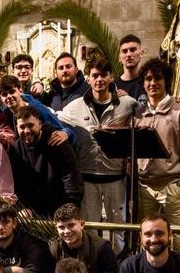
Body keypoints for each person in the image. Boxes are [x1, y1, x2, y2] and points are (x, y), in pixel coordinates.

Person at [133, 57, 180, 258]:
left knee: (179, 241)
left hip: (171, 184)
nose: (152, 83)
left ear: (166, 81)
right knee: (146, 241)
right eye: (148, 79)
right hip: (144, 187)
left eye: (158, 78)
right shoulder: (138, 113)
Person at [59, 57, 138, 225]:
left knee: (118, 228)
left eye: (104, 75)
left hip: (116, 176)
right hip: (87, 178)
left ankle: (118, 253)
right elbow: (54, 118)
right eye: (95, 75)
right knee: (89, 226)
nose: (99, 79)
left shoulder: (128, 104)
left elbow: (147, 121)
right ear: (88, 78)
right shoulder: (74, 107)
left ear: (111, 77)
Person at [8, 104, 83, 217]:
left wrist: (69, 206)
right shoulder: (16, 149)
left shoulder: (56, 141)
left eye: (30, 125)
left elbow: (71, 176)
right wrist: (23, 207)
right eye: (22, 127)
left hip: (60, 208)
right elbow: (17, 182)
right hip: (31, 211)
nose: (27, 131)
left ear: (40, 124)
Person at [37, 204, 119, 273]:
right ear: (56, 228)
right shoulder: (52, 248)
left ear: (82, 224)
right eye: (61, 227)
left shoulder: (101, 247)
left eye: (71, 225)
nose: (66, 231)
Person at [115, 35, 145, 99]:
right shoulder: (113, 86)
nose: (128, 54)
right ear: (119, 58)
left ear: (141, 53)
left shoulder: (149, 82)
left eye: (132, 50)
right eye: (124, 51)